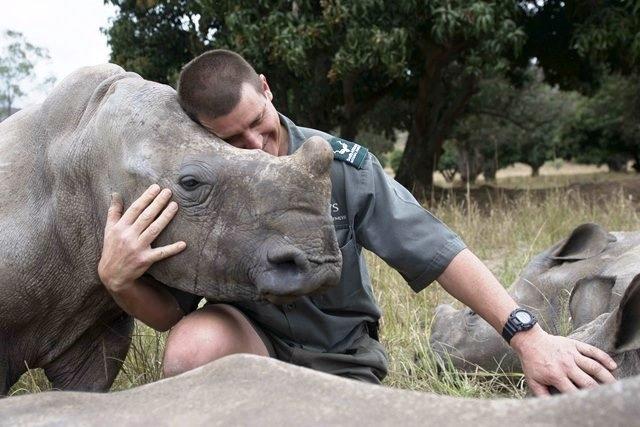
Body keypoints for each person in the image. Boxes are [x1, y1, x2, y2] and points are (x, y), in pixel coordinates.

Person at [98, 50, 617, 395]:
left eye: (258, 122)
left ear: (266, 88)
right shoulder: (200, 187)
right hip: (251, 344)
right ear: (206, 135)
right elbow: (172, 316)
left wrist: (528, 337)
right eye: (234, 140)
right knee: (191, 348)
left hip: (339, 358)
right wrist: (119, 281)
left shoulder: (346, 166)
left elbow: (437, 250)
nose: (257, 145)